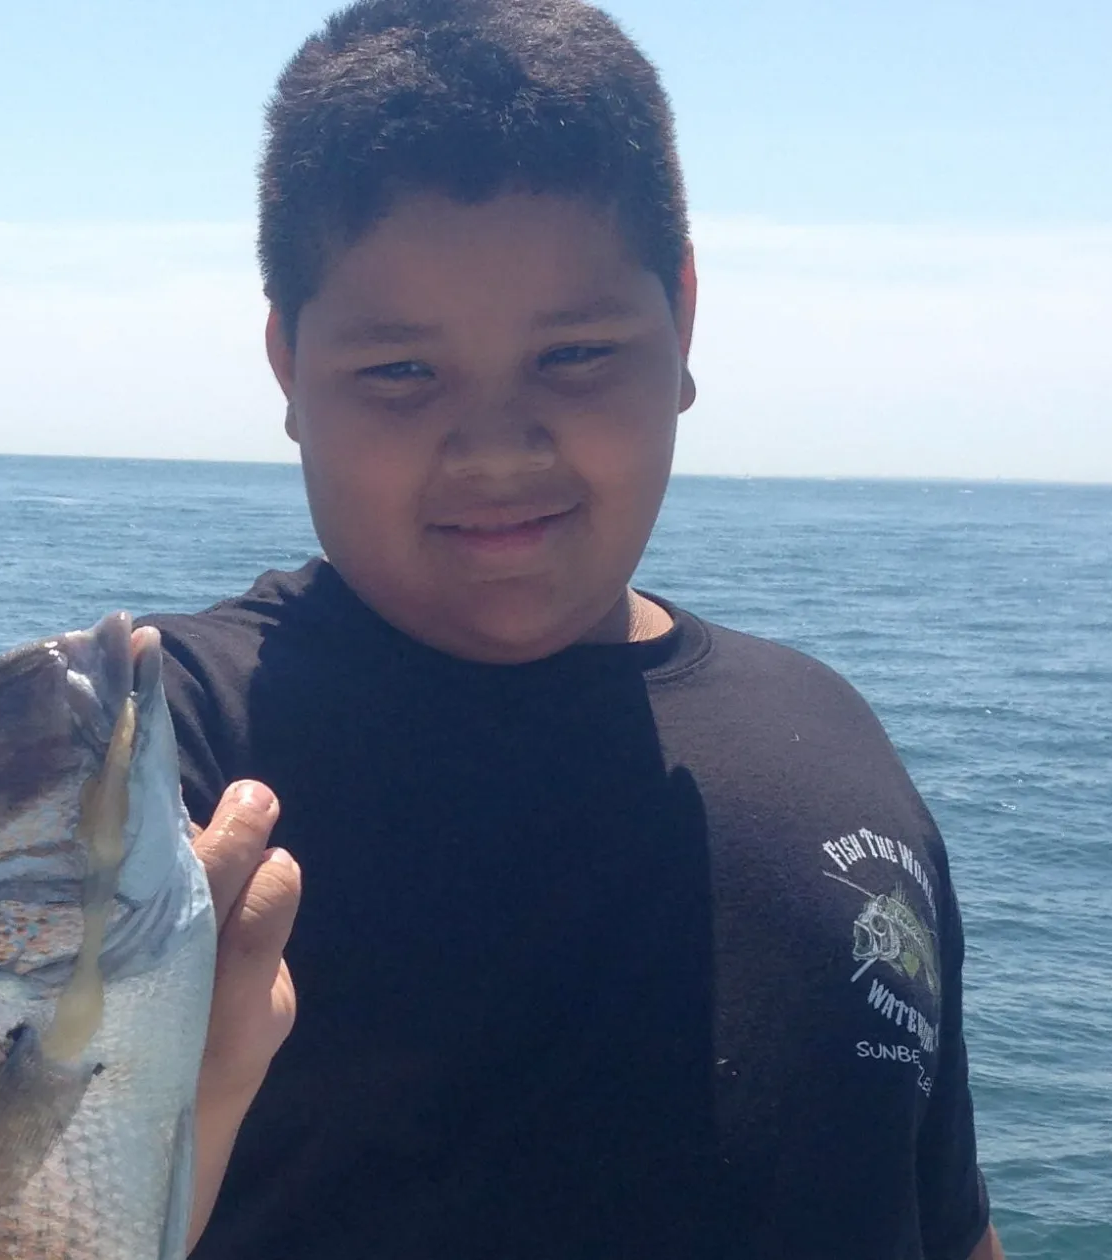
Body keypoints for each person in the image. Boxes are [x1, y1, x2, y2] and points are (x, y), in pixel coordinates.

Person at [144, 1, 1004, 1255]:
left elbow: (943, 1224)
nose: (498, 448)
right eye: (400, 372)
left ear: (685, 324)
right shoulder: (156, 767)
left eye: (578, 353)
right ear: (288, 366)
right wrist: (162, 1106)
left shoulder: (832, 744)